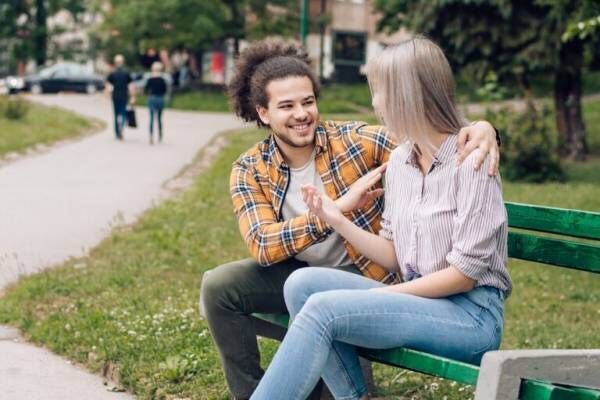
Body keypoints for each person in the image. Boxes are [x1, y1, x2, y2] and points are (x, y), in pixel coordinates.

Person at [199, 39, 501, 400]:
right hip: (412, 296)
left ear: (407, 95)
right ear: (263, 113)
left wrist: (486, 128)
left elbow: (465, 275)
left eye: (308, 101)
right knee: (300, 285)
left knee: (324, 306)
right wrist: (335, 215)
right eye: (287, 105)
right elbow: (389, 251)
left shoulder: (465, 161)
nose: (374, 103)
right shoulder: (402, 163)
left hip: (470, 314)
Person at [106, 54, 135, 140]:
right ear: (122, 62)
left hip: (115, 96)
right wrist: (133, 97)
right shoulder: (126, 73)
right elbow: (130, 86)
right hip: (124, 96)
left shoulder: (112, 73)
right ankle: (121, 128)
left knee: (116, 114)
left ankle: (117, 133)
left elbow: (108, 85)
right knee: (123, 113)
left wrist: (108, 94)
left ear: (115, 62)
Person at [145, 61, 168, 144]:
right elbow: (165, 90)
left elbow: (146, 90)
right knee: (159, 118)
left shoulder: (150, 79)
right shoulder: (162, 80)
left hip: (152, 98)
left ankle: (151, 136)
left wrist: (149, 96)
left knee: (151, 118)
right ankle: (160, 135)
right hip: (160, 99)